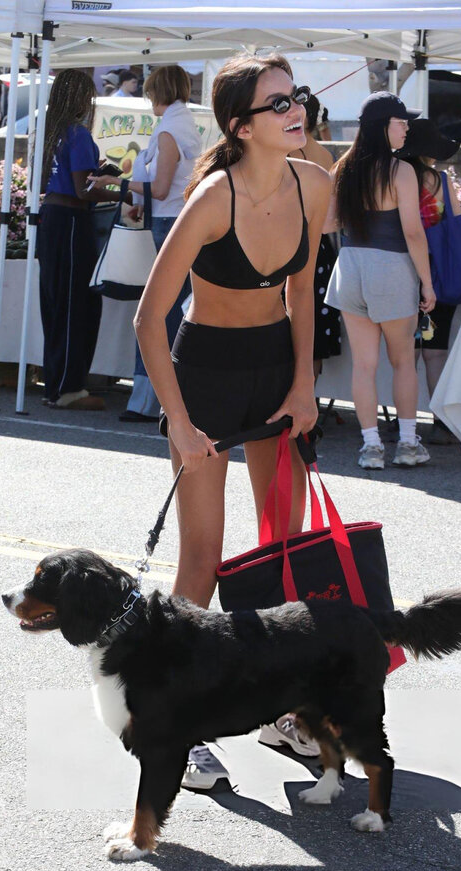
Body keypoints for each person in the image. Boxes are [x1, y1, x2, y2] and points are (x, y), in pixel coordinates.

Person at [134, 53, 330, 787]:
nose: (295, 110)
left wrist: (305, 384)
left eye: (295, 96)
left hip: (277, 370)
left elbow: (303, 292)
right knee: (203, 560)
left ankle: (281, 710)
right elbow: (149, 319)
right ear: (241, 126)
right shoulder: (213, 198)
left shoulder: (315, 182)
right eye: (277, 104)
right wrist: (180, 423)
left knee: (284, 549)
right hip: (207, 377)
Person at [325, 91, 435, 470]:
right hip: (391, 267)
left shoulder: (342, 168)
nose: (406, 129)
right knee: (403, 362)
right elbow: (413, 233)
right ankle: (407, 443)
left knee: (364, 365)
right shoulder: (400, 170)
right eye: (401, 122)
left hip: (350, 266)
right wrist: (427, 283)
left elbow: (325, 223)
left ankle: (371, 446)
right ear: (382, 126)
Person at [94, 64, 201, 422]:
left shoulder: (169, 131)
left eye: (150, 91)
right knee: (168, 311)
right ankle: (161, 398)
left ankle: (149, 400)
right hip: (172, 222)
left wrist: (117, 184)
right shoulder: (180, 126)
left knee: (157, 313)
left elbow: (160, 188)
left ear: (159, 91)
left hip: (168, 224)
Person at [38, 68, 119, 409]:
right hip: (72, 221)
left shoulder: (49, 133)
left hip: (50, 219)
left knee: (56, 304)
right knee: (77, 305)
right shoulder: (78, 134)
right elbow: (83, 191)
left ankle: (55, 385)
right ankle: (69, 388)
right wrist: (122, 192)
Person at [398, 117, 461, 445]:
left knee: (405, 355)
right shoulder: (441, 181)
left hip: (403, 269)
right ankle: (440, 423)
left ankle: (405, 423)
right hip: (440, 273)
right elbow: (457, 221)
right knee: (435, 352)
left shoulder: (396, 178)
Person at [289, 93, 340, 374]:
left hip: (288, 240)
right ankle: (310, 390)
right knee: (315, 323)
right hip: (319, 243)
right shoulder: (325, 155)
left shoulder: (285, 152)